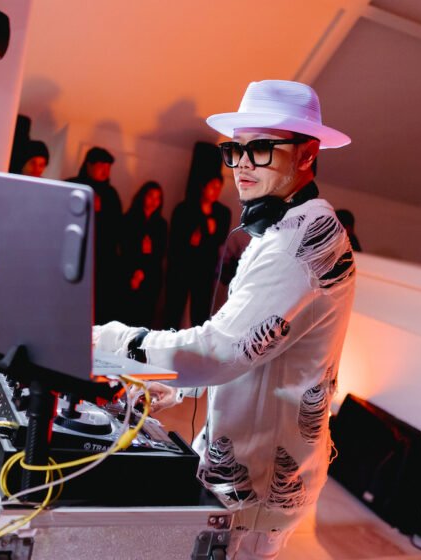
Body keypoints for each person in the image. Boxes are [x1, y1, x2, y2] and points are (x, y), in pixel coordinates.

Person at [93, 80, 355, 559]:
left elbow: (220, 352)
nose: (242, 166)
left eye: (261, 148)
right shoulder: (284, 226)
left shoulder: (299, 241)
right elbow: (257, 348)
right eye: (235, 150)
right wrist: (178, 388)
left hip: (257, 489)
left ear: (307, 154)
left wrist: (101, 342)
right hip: (240, 472)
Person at [164, 174, 231, 329]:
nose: (216, 191)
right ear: (203, 187)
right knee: (174, 309)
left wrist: (210, 233)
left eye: (219, 188)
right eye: (212, 187)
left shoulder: (222, 213)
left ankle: (197, 342)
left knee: (200, 313)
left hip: (204, 269)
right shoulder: (184, 208)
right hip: (181, 267)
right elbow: (175, 239)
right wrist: (191, 239)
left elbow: (220, 239)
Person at [66, 147, 123, 324]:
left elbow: (117, 229)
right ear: (89, 165)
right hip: (73, 255)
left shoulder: (111, 195)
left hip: (102, 262)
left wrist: (101, 212)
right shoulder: (72, 186)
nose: (106, 171)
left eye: (108, 167)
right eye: (101, 166)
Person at [120, 181, 168, 328]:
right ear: (142, 196)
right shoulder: (129, 218)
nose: (154, 201)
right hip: (129, 272)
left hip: (151, 276)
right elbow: (124, 249)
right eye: (150, 196)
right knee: (126, 316)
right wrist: (135, 273)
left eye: (158, 198)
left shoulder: (161, 224)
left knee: (145, 318)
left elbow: (160, 253)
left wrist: (148, 253)